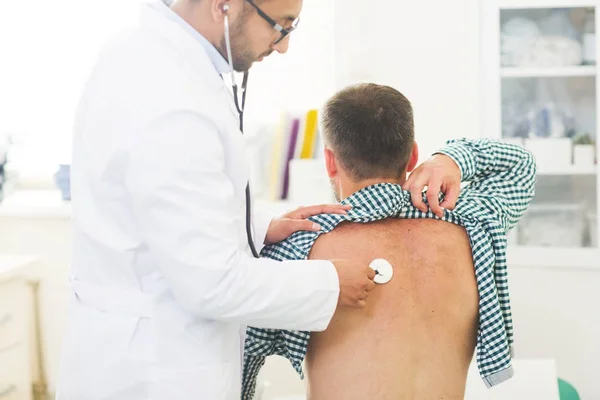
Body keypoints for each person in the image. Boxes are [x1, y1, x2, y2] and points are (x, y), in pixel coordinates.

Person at [56, 1, 463, 399]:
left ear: (330, 162)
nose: (283, 45)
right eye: (281, 25)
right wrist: (329, 282)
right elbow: (211, 283)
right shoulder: (170, 98)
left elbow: (169, 205)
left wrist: (258, 226)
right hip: (151, 366)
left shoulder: (153, 60)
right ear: (224, 6)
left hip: (148, 341)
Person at [242, 83, 537, 400]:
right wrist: (452, 159)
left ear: (329, 161)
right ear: (413, 155)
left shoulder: (298, 245)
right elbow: (521, 166)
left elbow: (239, 365)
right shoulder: (472, 224)